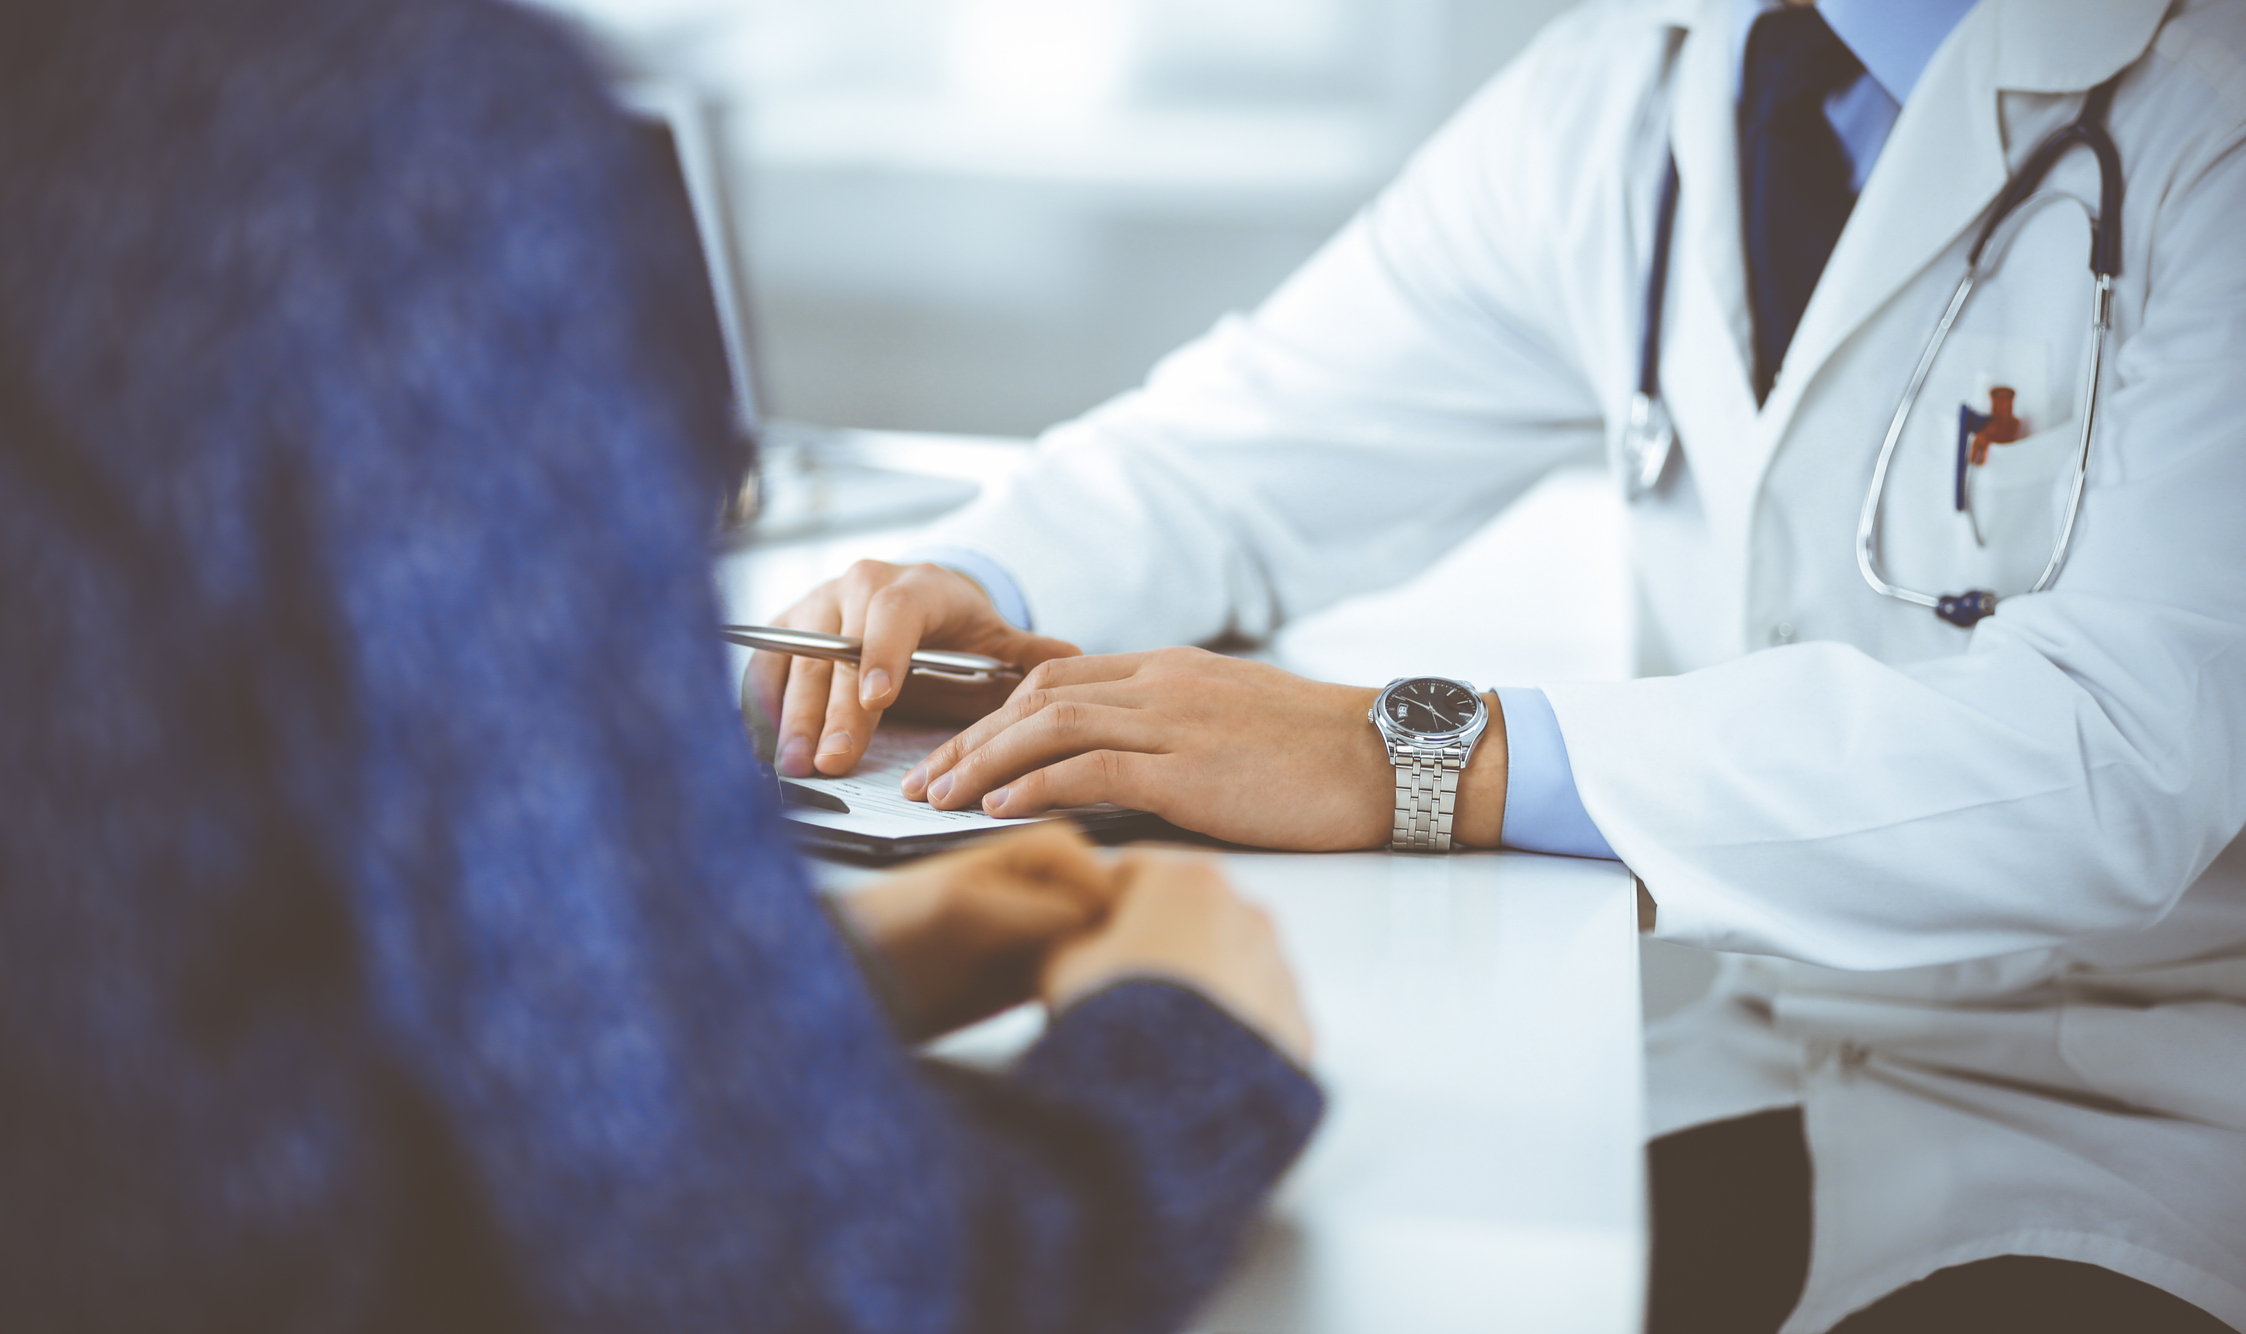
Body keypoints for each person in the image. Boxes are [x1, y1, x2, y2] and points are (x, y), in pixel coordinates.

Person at [756, 0, 2246, 1329]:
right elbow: (1253, 438)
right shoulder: (1636, 78)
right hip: (1764, 1035)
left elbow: (2118, 750)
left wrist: (1412, 754)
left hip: (2127, 1100)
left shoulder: (2209, 109)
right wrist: (975, 578)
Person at [0, 0, 1325, 1329]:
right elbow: (796, 1286)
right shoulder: (384, 141)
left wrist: (746, 980)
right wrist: (1183, 1059)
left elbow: (125, 1027)